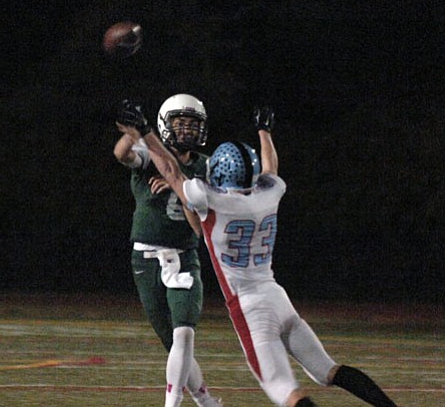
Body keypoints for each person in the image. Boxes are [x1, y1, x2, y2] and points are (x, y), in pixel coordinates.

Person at [116, 103, 399, 407]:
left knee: (286, 391)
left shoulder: (209, 200)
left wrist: (145, 131)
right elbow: (271, 168)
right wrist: (265, 131)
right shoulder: (268, 193)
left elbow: (170, 169)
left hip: (250, 310)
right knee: (327, 370)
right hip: (278, 298)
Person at [113, 94, 223, 407]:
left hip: (184, 257)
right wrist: (132, 129)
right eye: (180, 123)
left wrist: (179, 182)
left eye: (193, 124)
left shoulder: (207, 166)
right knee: (171, 341)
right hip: (145, 259)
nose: (187, 130)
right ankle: (206, 402)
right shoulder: (150, 155)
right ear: (165, 125)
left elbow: (199, 228)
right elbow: (122, 153)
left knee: (184, 334)